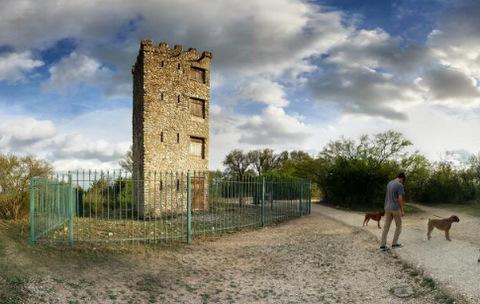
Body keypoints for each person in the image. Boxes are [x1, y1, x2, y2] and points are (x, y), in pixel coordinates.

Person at [380, 172, 406, 251]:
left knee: (386, 226)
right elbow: (400, 199)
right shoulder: (400, 185)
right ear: (402, 178)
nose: (402, 182)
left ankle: (382, 245)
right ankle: (394, 244)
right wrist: (402, 210)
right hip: (395, 208)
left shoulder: (389, 183)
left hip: (387, 207)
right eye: (403, 180)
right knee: (399, 226)